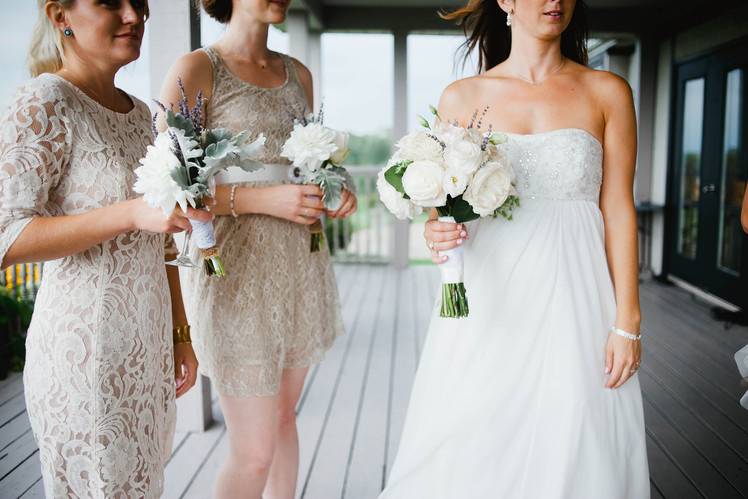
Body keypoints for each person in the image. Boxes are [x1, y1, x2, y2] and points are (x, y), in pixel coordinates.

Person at [380, 1, 650, 497]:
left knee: (576, 435)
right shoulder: (462, 97)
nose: (556, 1)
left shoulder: (607, 92)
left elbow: (618, 210)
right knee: (476, 439)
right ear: (504, 0)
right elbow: (445, 209)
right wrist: (435, 232)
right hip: (490, 303)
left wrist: (627, 321)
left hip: (578, 301)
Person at [0, 1, 209, 496]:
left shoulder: (140, 116)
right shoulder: (42, 102)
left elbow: (158, 238)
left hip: (146, 347)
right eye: (110, 2)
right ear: (60, 15)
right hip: (84, 357)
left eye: (139, 1)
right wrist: (128, 214)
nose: (135, 15)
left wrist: (180, 332)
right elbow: (7, 235)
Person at [158, 1, 356, 497]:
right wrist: (265, 199)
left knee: (285, 419)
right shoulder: (197, 70)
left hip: (299, 267)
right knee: (253, 452)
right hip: (234, 275)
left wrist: (335, 187)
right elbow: (171, 191)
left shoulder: (298, 75)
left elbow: (309, 163)